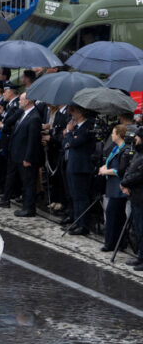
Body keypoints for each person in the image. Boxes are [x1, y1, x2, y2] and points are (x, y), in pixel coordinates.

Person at [0, 92, 42, 216]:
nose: (19, 102)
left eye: (21, 100)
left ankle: (29, 208)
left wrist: (28, 158)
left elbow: (33, 141)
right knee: (12, 177)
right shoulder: (23, 113)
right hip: (15, 153)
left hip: (24, 156)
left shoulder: (34, 117)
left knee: (28, 182)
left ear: (27, 101)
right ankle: (6, 199)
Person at [62, 105, 94, 235]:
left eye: (73, 111)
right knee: (74, 196)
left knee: (81, 197)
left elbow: (74, 143)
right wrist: (69, 136)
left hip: (81, 167)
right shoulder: (77, 128)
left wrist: (69, 133)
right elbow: (66, 144)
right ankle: (76, 222)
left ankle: (83, 225)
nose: (71, 115)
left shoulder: (86, 128)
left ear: (80, 113)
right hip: (73, 165)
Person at [99, 124, 131, 252]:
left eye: (113, 133)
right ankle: (119, 242)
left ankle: (111, 243)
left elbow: (120, 170)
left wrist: (106, 171)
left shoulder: (125, 150)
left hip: (118, 188)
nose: (111, 135)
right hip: (113, 186)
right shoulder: (116, 148)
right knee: (117, 215)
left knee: (112, 214)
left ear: (119, 134)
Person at [119, 128, 143, 270]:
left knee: (141, 228)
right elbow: (129, 169)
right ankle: (140, 256)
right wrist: (125, 182)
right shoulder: (137, 153)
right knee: (138, 228)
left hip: (140, 197)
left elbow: (139, 175)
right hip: (135, 196)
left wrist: (125, 182)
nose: (136, 139)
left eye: (138, 137)